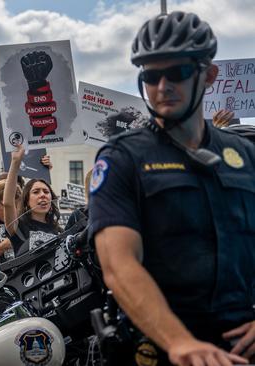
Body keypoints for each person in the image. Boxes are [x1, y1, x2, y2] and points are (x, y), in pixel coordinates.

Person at [89, 11, 254, 365]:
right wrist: (179, 342)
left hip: (241, 345)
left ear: (208, 75)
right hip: (162, 348)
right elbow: (118, 263)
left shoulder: (246, 155)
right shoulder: (122, 158)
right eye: (151, 75)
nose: (163, 86)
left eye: (177, 72)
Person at [3, 146, 62, 256]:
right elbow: (8, 203)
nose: (42, 195)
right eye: (36, 192)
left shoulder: (58, 230)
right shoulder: (19, 226)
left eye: (46, 191)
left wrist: (44, 170)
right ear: (26, 201)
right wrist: (15, 162)